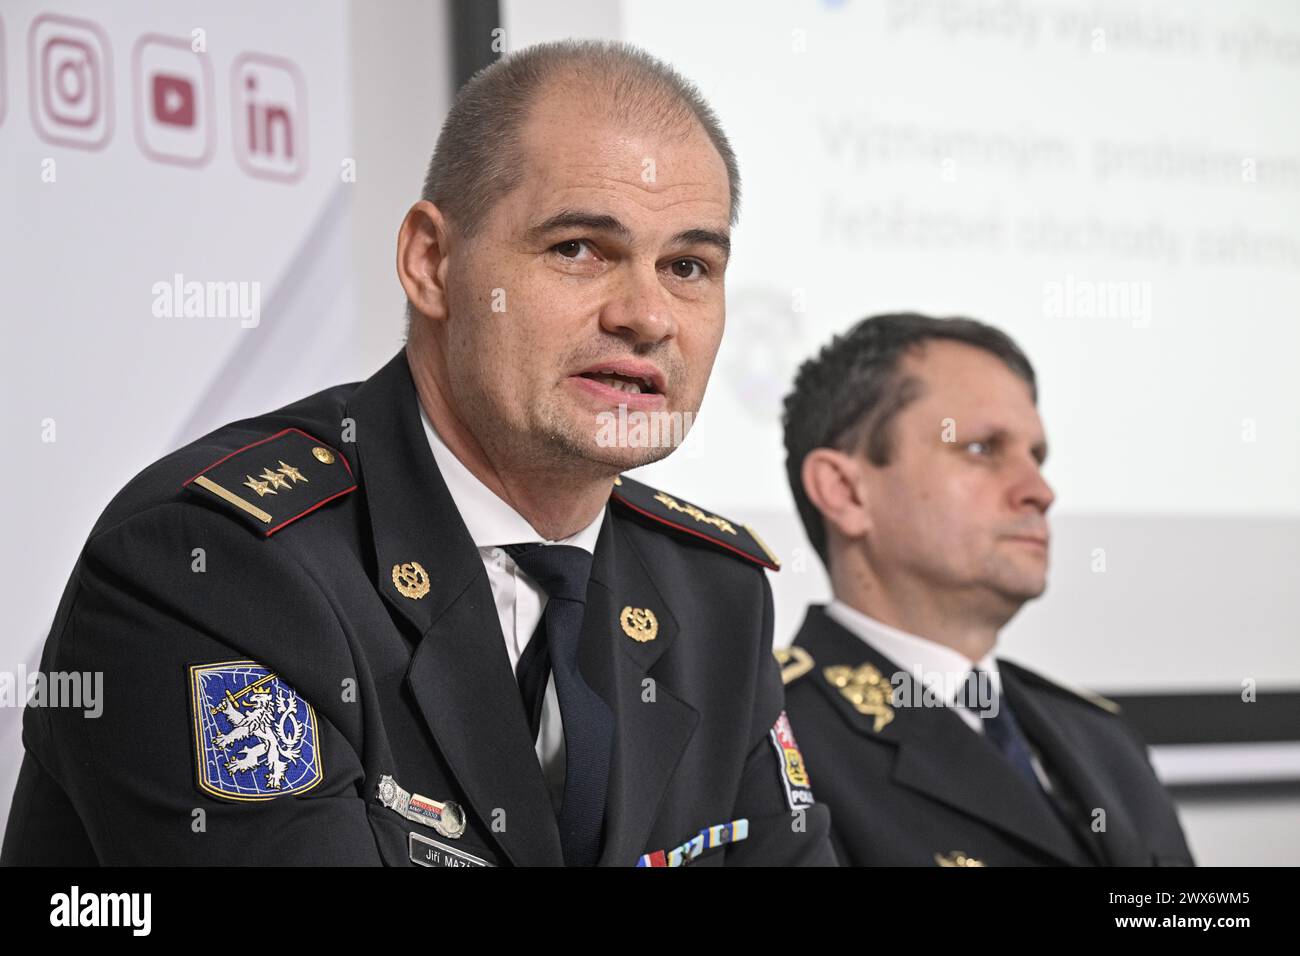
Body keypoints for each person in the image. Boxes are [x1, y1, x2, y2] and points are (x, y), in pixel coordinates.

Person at [1, 40, 833, 867]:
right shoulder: (213, 566)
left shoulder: (715, 595)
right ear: (431, 263)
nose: (648, 316)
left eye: (688, 265)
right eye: (579, 249)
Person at [778, 312, 1193, 866]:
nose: (1040, 491)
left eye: (1036, 457)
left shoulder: (1099, 736)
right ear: (846, 492)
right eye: (981, 449)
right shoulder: (770, 738)